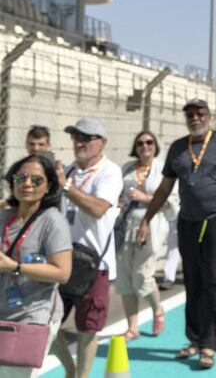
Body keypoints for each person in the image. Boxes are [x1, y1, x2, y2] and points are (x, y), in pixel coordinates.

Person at [136, 99, 216, 370]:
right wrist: (146, 218)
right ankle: (193, 338)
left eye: (200, 113)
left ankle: (209, 344)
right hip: (187, 221)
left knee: (214, 281)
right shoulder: (178, 147)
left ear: (209, 116)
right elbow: (165, 188)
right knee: (193, 281)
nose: (195, 118)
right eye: (190, 114)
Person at [52, 118, 123, 378]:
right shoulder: (68, 171)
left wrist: (66, 187)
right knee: (46, 323)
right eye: (75, 137)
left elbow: (97, 208)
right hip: (62, 260)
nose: (79, 142)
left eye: (86, 137)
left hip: (94, 265)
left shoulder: (110, 172)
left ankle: (81, 376)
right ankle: (70, 370)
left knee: (87, 328)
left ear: (102, 143)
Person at [0, 155, 72, 378]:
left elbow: (62, 272)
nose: (27, 184)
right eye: (20, 177)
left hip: (33, 314)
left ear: (49, 185)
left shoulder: (52, 221)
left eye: (36, 180)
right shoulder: (4, 216)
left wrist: (15, 267)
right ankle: (71, 369)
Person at [115, 131, 179, 341]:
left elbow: (171, 201)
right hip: (125, 225)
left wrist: (146, 197)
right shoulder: (127, 168)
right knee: (124, 277)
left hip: (151, 223)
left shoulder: (163, 169)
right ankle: (132, 327)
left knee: (142, 274)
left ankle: (157, 309)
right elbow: (117, 194)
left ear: (155, 145)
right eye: (140, 143)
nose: (145, 146)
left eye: (149, 142)